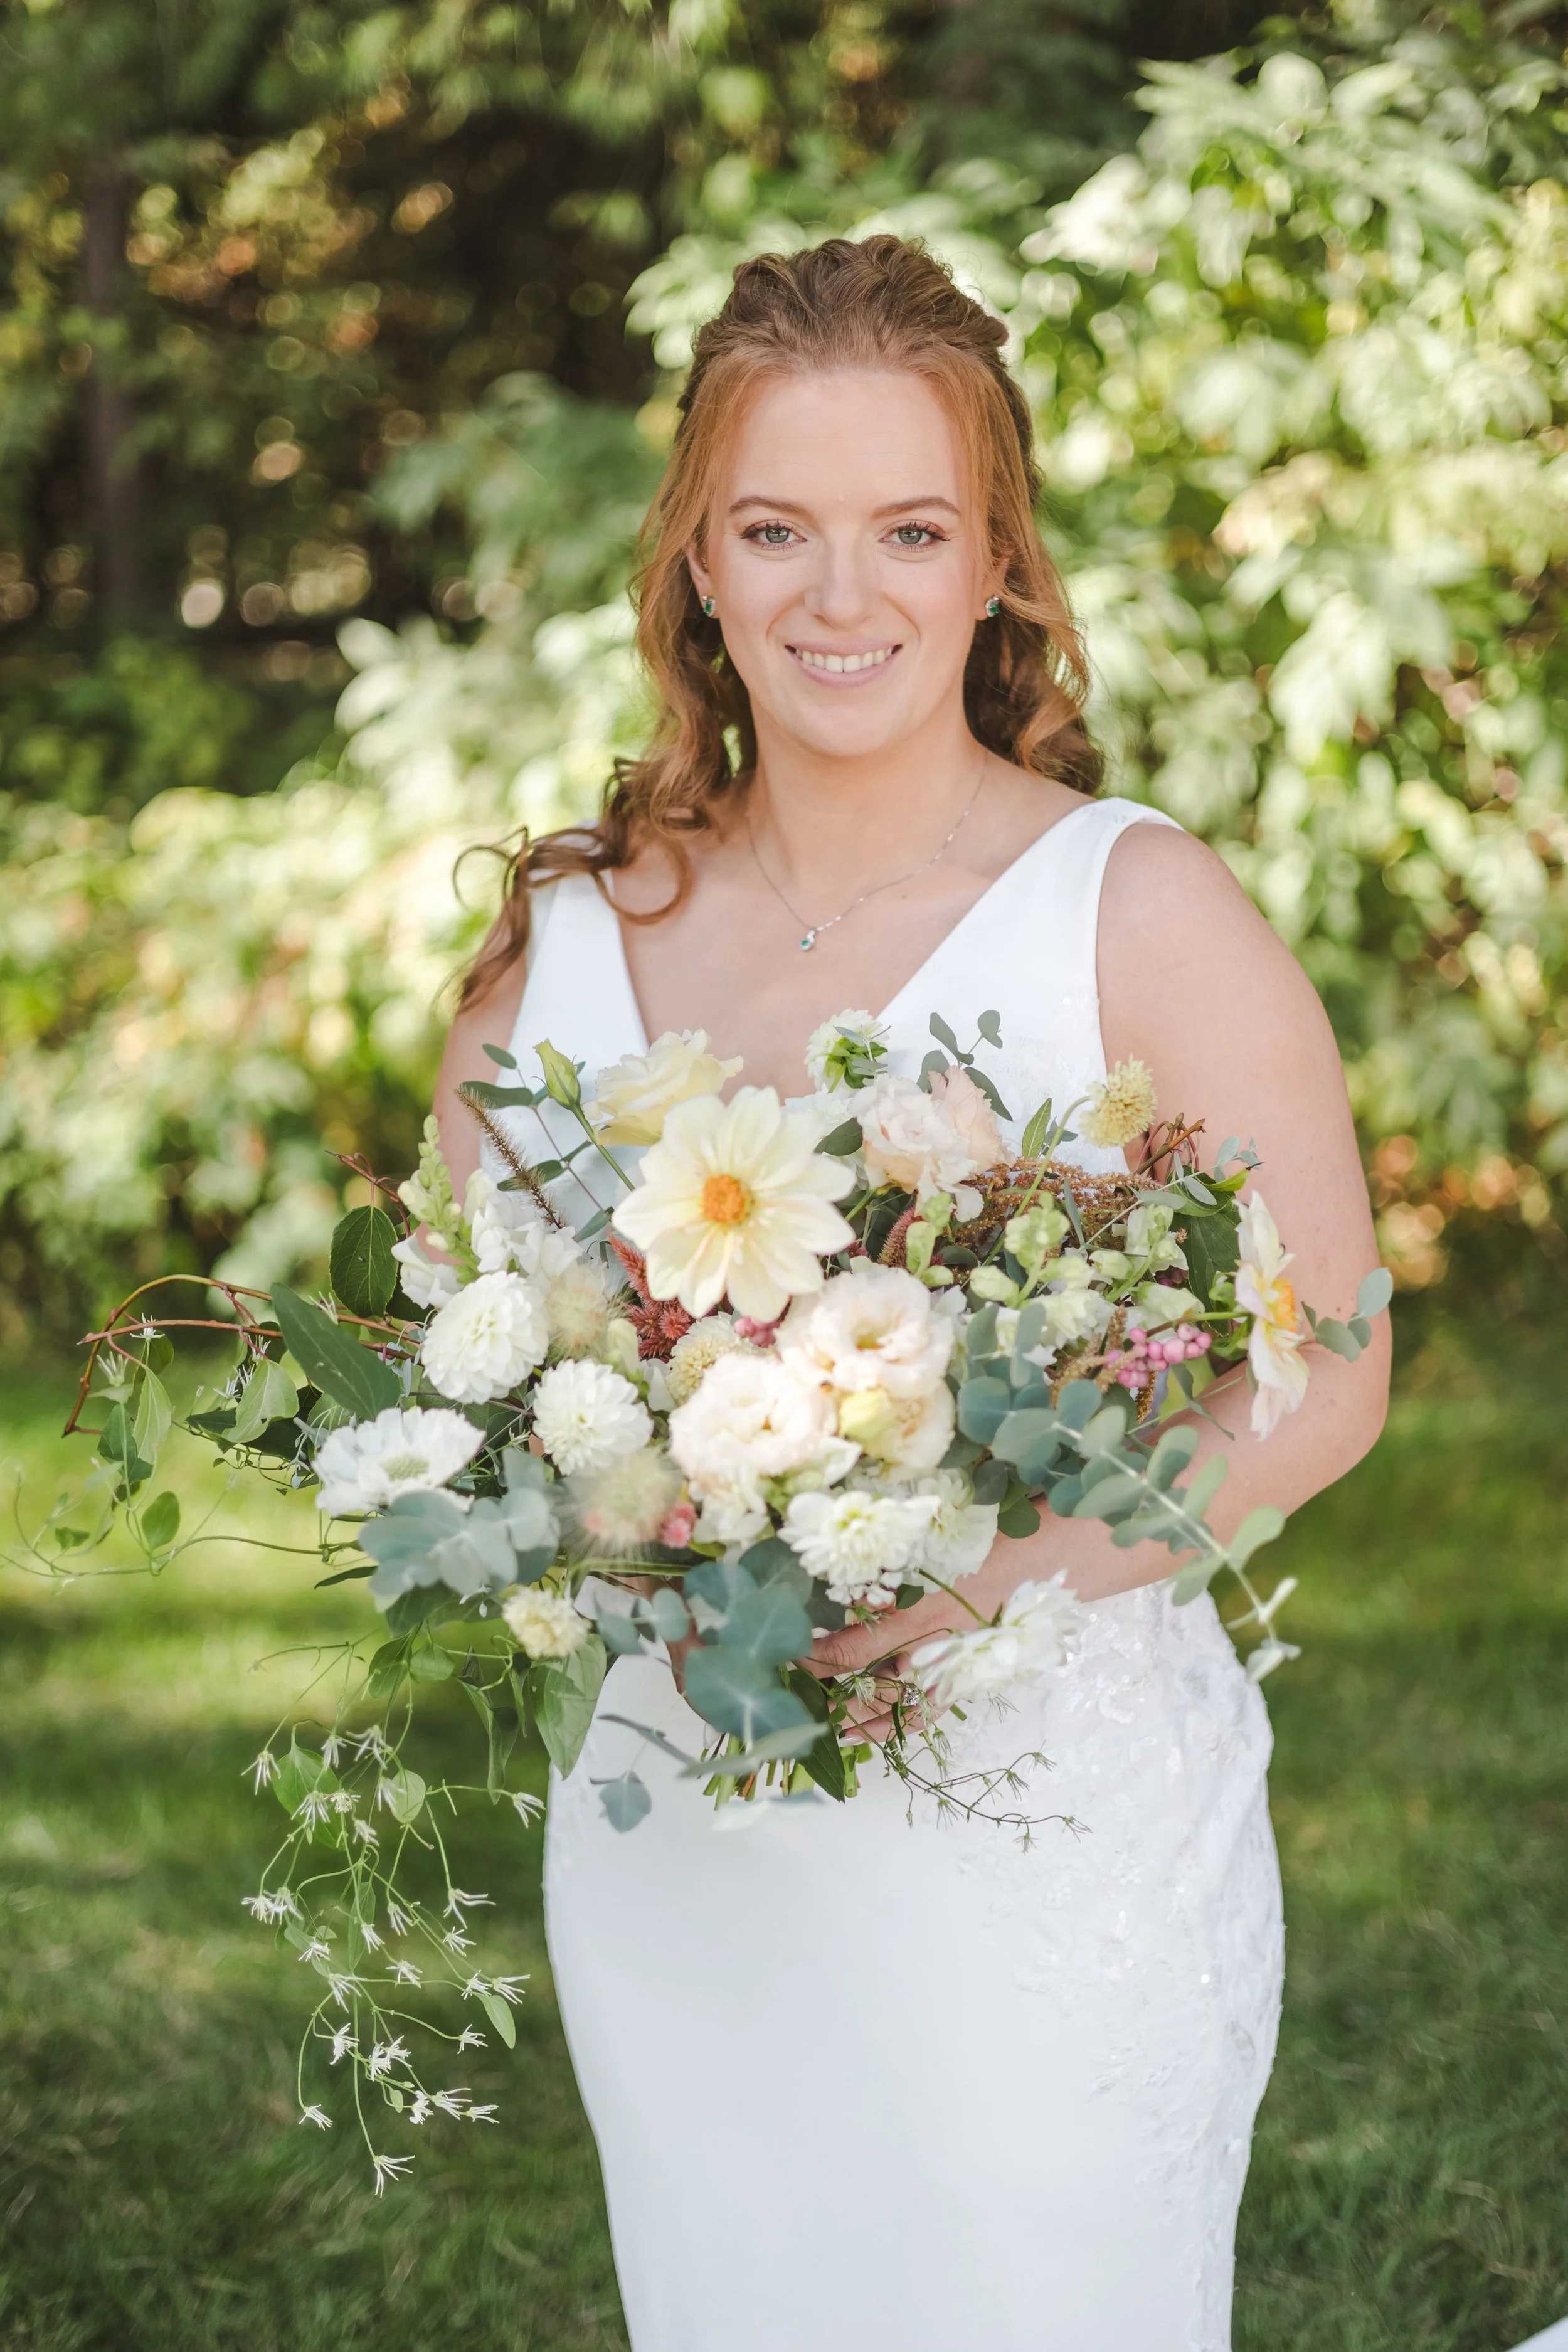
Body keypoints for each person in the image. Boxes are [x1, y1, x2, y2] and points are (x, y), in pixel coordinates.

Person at [430, 235, 1389, 2352]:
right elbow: (466, 1359)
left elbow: (1325, 1383)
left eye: (906, 532)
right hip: (684, 1836)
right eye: (774, 529)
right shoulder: (563, 949)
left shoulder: (1136, 913)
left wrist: (965, 1586)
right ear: (695, 559)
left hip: (1042, 1839)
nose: (836, 598)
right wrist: (630, 1524)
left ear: (995, 569)